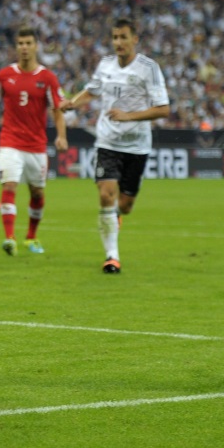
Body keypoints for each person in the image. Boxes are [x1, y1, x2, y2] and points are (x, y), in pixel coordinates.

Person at [58, 18, 170, 274]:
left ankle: (115, 216)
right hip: (107, 142)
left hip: (137, 146)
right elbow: (92, 91)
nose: (118, 42)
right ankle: (112, 256)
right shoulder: (106, 65)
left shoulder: (149, 69)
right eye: (115, 37)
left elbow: (163, 109)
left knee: (125, 205)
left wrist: (129, 116)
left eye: (123, 37)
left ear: (135, 39)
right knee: (106, 194)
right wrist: (73, 102)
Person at [0, 28, 67, 255]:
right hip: (10, 142)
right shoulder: (5, 75)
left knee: (37, 193)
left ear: (36, 46)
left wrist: (62, 135)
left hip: (36, 145)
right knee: (9, 185)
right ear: (16, 47)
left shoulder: (47, 78)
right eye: (20, 43)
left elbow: (57, 109)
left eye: (28, 43)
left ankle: (31, 237)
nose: (24, 47)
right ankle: (10, 238)